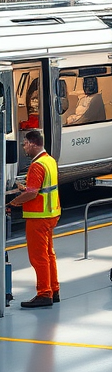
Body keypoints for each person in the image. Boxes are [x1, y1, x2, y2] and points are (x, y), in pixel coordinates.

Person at [7, 129, 60, 307]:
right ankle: (54, 289)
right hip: (51, 213)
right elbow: (43, 188)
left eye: (25, 144)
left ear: (32, 143)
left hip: (39, 216)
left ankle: (44, 293)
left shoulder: (36, 165)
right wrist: (26, 190)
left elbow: (32, 193)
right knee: (49, 254)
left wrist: (13, 202)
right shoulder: (49, 161)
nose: (23, 147)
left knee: (38, 257)